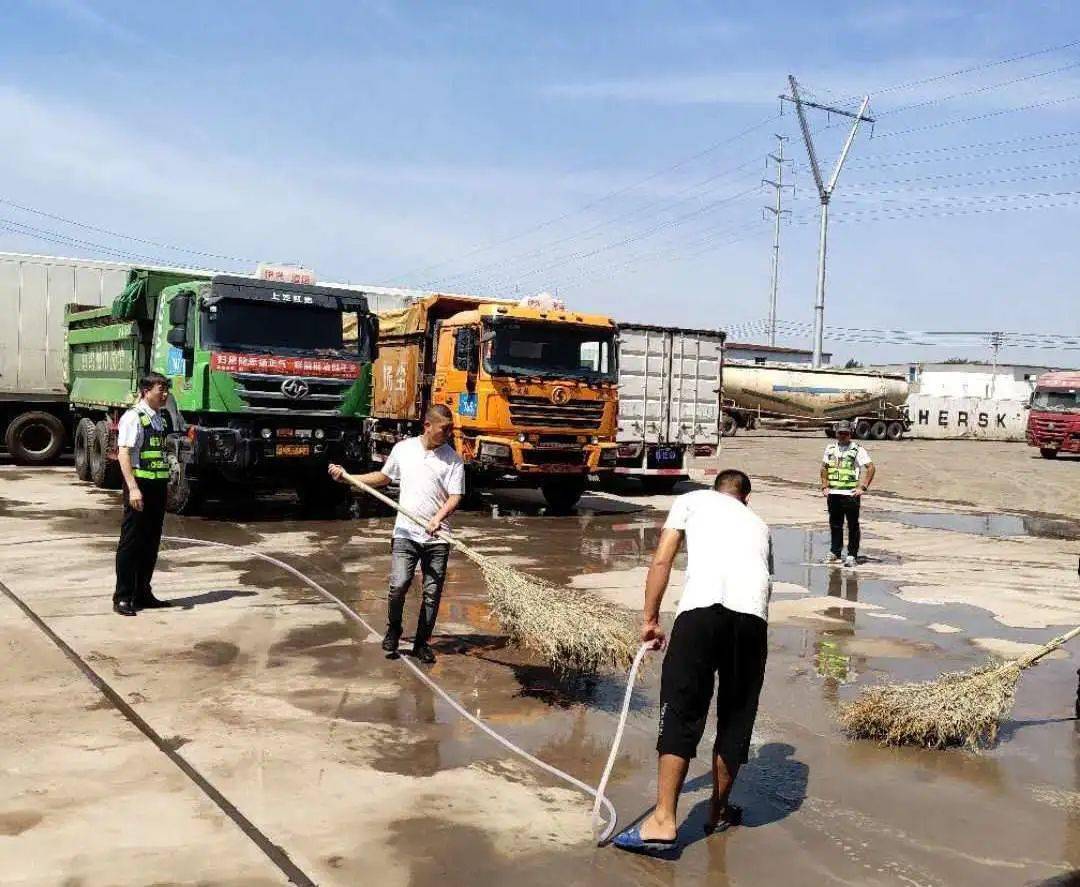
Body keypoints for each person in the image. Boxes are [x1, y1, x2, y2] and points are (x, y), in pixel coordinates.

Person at [613, 469, 773, 854]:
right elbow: (766, 582)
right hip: (752, 620)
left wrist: (650, 620)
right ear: (745, 499)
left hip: (700, 613)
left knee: (683, 708)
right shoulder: (761, 525)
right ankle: (716, 812)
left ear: (714, 490)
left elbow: (662, 561)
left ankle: (664, 820)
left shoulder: (690, 501)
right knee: (736, 714)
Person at [329, 404, 464, 665]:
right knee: (399, 584)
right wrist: (348, 477)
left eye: (450, 430)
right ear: (428, 426)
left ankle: (421, 643)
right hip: (406, 532)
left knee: (432, 593)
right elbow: (383, 477)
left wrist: (438, 518)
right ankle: (393, 629)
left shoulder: (453, 460)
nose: (448, 434)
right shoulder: (404, 449)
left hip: (437, 537)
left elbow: (456, 497)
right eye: (444, 429)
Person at [113, 372, 174, 616]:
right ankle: (123, 596)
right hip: (139, 486)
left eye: (166, 390)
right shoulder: (133, 417)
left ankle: (143, 592)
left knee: (151, 541)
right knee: (132, 542)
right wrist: (133, 488)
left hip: (157, 487)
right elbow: (123, 453)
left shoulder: (159, 418)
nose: (165, 395)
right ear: (146, 391)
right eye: (161, 390)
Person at [821, 420, 875, 567]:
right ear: (836, 433)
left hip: (850, 495)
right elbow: (824, 468)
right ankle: (835, 552)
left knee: (852, 526)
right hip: (833, 493)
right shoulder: (830, 448)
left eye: (846, 433)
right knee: (835, 524)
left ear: (850, 433)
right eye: (840, 433)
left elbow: (870, 468)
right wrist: (824, 486)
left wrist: (863, 487)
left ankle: (852, 554)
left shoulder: (857, 449)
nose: (843, 436)